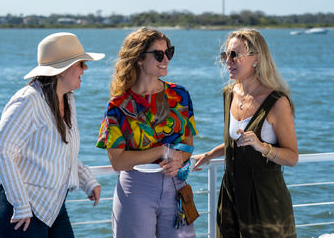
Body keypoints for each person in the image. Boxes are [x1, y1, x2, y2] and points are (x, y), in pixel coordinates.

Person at [0, 32, 104, 238]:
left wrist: (87, 180)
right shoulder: (29, 100)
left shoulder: (67, 100)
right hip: (21, 211)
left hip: (52, 205)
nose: (85, 69)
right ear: (63, 69)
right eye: (82, 63)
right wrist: (21, 204)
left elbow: (62, 152)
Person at [193, 29, 298, 237]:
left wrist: (262, 147)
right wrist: (209, 155)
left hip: (265, 202)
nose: (228, 61)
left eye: (235, 55)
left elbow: (292, 157)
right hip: (231, 198)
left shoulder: (277, 102)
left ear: (256, 59)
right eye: (226, 55)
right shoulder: (229, 94)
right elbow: (237, 143)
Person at [96, 27, 197, 238]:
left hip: (176, 186)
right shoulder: (118, 105)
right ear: (139, 58)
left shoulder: (180, 95)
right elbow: (118, 162)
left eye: (169, 53)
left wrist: (179, 158)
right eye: (159, 54)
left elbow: (188, 143)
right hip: (136, 191)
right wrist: (162, 151)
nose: (166, 59)